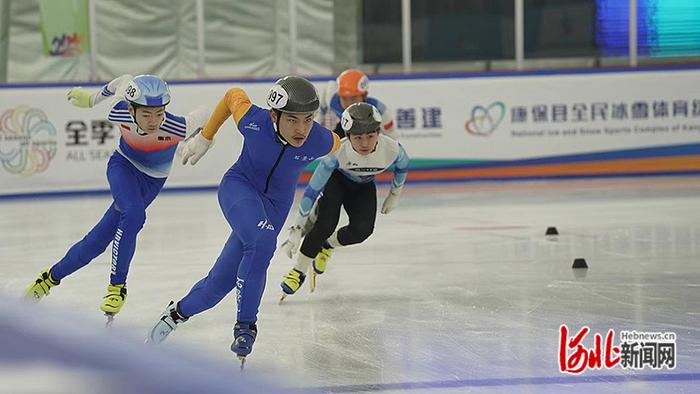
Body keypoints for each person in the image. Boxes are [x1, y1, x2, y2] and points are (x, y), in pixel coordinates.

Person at [146, 76, 340, 365]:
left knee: (218, 285)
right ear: (274, 115)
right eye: (292, 120)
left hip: (274, 208)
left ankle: (176, 314)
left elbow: (346, 148)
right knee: (262, 242)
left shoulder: (322, 140)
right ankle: (246, 326)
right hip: (240, 188)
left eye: (308, 119)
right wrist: (205, 137)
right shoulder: (253, 120)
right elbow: (231, 95)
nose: (301, 129)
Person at [24, 74, 210, 324]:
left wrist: (203, 139)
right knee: (133, 214)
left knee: (95, 243)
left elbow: (207, 112)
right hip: (122, 167)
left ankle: (48, 279)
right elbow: (124, 80)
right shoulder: (119, 112)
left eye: (158, 113)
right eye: (146, 115)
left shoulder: (177, 126)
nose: (154, 121)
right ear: (131, 109)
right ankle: (117, 287)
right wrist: (91, 100)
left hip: (151, 182)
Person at [279, 102, 409, 299]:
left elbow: (403, 166)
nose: (365, 143)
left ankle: (327, 246)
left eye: (370, 136)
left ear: (379, 133)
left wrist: (394, 194)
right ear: (347, 136)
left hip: (363, 187)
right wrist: (297, 229)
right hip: (337, 182)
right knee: (325, 225)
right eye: (357, 137)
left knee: (362, 231)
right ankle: (298, 271)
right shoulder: (337, 153)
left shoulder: (392, 149)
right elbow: (311, 191)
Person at [318, 68, 396, 140]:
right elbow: (329, 86)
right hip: (343, 129)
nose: (349, 104)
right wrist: (320, 118)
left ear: (364, 95)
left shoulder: (378, 109)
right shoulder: (332, 100)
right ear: (339, 96)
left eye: (353, 99)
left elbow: (391, 136)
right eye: (344, 98)